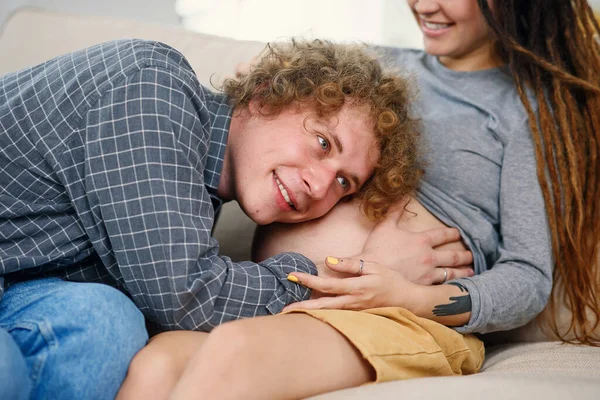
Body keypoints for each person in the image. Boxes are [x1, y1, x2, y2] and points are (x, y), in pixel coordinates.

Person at [117, 0, 600, 399]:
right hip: (281, 300)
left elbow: (529, 277)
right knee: (156, 362)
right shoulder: (379, 68)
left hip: (402, 319)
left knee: (236, 351)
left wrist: (413, 297)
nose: (424, 5)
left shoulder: (528, 110)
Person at [0, 38, 471, 399]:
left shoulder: (195, 199)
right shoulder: (152, 88)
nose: (321, 185)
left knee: (108, 325)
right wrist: (355, 275)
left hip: (21, 292)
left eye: (345, 183)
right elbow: (189, 297)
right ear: (265, 95)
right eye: (323, 143)